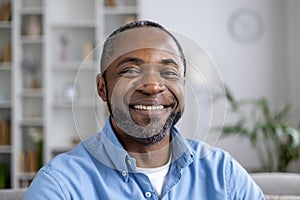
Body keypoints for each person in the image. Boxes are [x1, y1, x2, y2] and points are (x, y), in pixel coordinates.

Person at [24, 20, 264, 200]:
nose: (153, 86)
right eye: (130, 71)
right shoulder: (61, 185)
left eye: (169, 72)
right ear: (102, 88)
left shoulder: (224, 173)